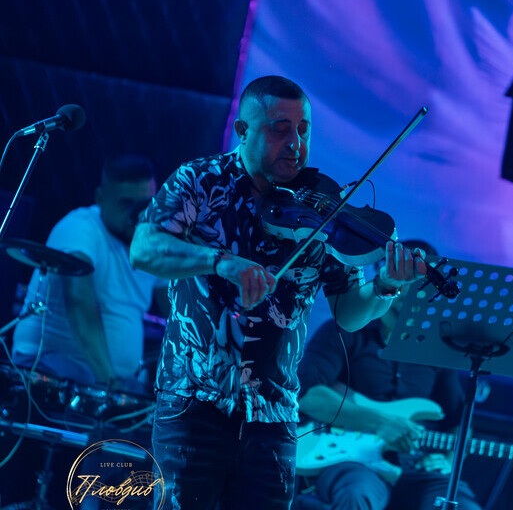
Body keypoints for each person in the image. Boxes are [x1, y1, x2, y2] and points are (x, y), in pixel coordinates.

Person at [129, 75, 426, 510]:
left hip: (274, 418)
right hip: (194, 406)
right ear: (242, 130)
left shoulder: (323, 206)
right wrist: (219, 261)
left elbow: (349, 313)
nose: (295, 144)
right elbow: (144, 249)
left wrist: (386, 287)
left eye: (303, 130)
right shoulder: (199, 181)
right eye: (279, 129)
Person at [295, 240, 483, 510]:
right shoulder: (344, 330)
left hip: (416, 467)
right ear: (384, 273)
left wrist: (448, 460)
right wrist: (379, 422)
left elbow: (459, 422)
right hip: (349, 460)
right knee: (357, 495)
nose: (414, 286)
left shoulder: (435, 350)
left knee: (462, 505)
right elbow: (306, 396)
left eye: (424, 280)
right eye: (406, 275)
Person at [12, 154, 163, 394]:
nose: (137, 215)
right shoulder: (80, 228)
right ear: (100, 198)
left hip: (111, 380)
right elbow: (79, 302)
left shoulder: (151, 239)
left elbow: (177, 309)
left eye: (144, 205)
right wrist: (109, 383)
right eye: (126, 204)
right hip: (50, 367)